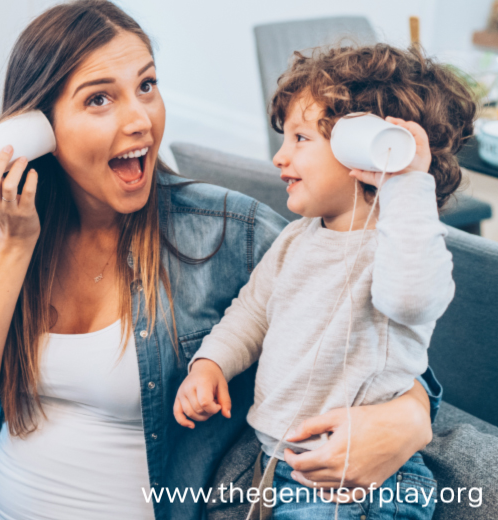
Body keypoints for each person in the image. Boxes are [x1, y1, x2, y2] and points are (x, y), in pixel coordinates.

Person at [0, 2, 442, 519]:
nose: (140, 118)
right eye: (99, 99)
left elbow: (382, 336)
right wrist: (11, 243)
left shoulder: (223, 229)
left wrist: (409, 419)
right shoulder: (3, 221)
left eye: (146, 86)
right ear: (38, 126)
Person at [175, 43, 474, 519]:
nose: (279, 156)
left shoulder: (398, 245)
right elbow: (252, 313)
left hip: (355, 485)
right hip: (283, 465)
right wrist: (211, 364)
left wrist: (407, 184)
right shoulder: (296, 239)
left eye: (300, 139)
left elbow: (413, 301)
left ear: (364, 145)